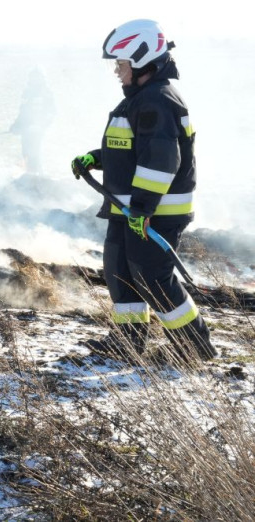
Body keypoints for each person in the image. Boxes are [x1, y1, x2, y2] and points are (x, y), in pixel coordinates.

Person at [72, 19, 216, 361]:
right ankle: (128, 342)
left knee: (153, 276)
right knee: (119, 271)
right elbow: (133, 150)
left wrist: (143, 209)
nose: (117, 72)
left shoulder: (156, 100)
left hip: (154, 212)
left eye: (120, 64)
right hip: (129, 208)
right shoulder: (142, 98)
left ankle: (195, 348)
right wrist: (96, 158)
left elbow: (162, 159)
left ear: (140, 60)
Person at [9, 68, 55, 175]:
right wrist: (16, 125)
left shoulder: (46, 93)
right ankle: (29, 175)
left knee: (34, 153)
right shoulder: (27, 92)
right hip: (26, 130)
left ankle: (37, 176)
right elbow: (23, 112)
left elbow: (51, 112)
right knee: (25, 153)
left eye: (37, 77)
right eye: (32, 77)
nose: (34, 80)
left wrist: (40, 125)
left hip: (37, 130)